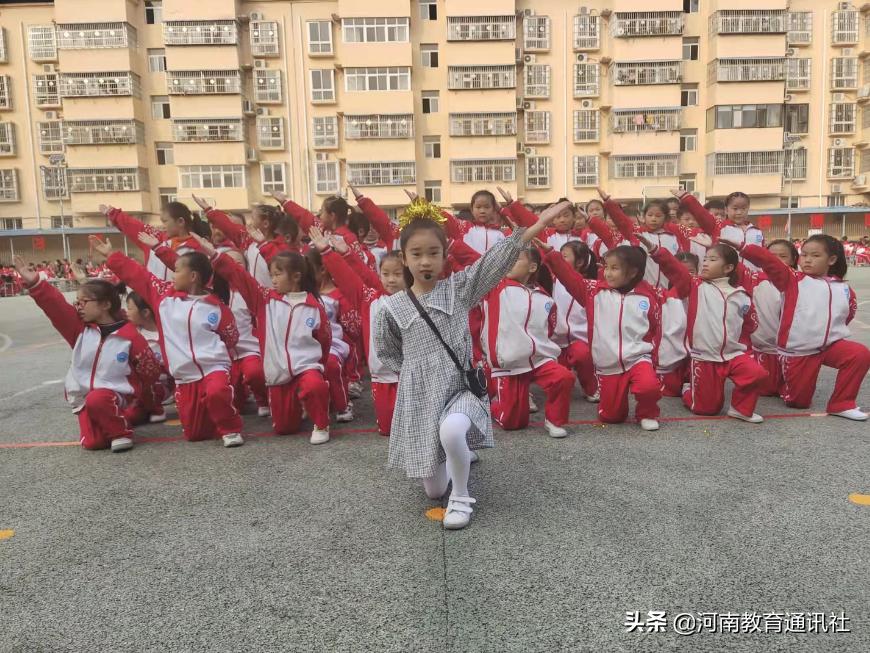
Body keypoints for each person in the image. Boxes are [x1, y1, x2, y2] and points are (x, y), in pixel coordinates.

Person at [374, 197, 567, 529]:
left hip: (460, 387)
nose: (425, 261)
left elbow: (493, 261)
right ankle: (457, 459)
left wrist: (536, 225)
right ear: (404, 258)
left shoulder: (458, 289)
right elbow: (388, 352)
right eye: (416, 254)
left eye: (433, 253)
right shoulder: (391, 308)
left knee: (451, 431)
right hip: (422, 397)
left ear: (444, 256)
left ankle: (461, 499)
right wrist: (417, 372)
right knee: (434, 490)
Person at [92, 224, 245, 448]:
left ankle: (230, 428)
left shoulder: (216, 306)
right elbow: (138, 275)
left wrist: (221, 359)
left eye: (177, 270)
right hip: (185, 376)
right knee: (195, 434)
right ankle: (212, 416)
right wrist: (112, 256)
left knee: (217, 391)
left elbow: (230, 337)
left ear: (193, 277)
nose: (173, 274)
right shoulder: (164, 297)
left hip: (214, 369)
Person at [15, 256, 161, 452]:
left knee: (98, 399)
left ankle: (122, 432)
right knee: (93, 443)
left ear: (105, 305)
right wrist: (35, 283)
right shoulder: (80, 330)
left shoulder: (130, 336)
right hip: (86, 399)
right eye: (77, 302)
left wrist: (144, 400)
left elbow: (149, 372)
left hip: (116, 395)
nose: (78, 306)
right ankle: (117, 419)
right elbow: (56, 306)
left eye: (84, 302)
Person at [205, 235, 334, 443]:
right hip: (278, 373)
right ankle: (300, 402)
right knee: (284, 429)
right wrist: (215, 255)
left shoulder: (314, 306)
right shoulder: (264, 299)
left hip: (305, 368)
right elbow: (239, 276)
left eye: (278, 274)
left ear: (296, 276)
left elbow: (324, 340)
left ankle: (321, 423)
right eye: (271, 274)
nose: (273, 279)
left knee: (314, 384)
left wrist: (319, 367)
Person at [741, 235, 870, 420]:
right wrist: (742, 246)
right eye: (804, 255)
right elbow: (769, 262)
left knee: (859, 354)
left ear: (832, 259)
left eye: (815, 255)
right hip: (800, 351)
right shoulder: (793, 279)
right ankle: (781, 381)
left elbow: (847, 315)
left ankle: (842, 403)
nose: (808, 260)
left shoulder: (844, 289)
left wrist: (827, 334)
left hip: (828, 347)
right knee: (798, 402)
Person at [539, 242, 662, 431]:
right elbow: (569, 277)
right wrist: (551, 254)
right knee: (611, 417)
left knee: (649, 386)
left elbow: (654, 329)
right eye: (606, 267)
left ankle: (647, 413)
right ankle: (612, 406)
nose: (607, 273)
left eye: (614, 268)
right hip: (608, 363)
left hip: (638, 358)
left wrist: (653, 358)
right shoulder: (594, 292)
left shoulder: (648, 296)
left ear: (632, 272)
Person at [647, 240, 767, 422]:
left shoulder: (741, 295)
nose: (705, 263)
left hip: (732, 354)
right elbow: (674, 269)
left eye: (712, 260)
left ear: (728, 268)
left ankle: (740, 409)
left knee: (756, 374)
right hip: (705, 357)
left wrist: (740, 341)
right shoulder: (695, 286)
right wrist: (656, 251)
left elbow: (751, 325)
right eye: (705, 259)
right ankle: (688, 390)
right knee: (707, 410)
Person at [482, 241, 575, 438]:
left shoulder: (544, 297)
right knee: (513, 422)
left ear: (532, 267)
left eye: (515, 259)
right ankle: (492, 404)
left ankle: (554, 420)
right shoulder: (496, 286)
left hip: (539, 359)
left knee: (563, 377)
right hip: (510, 362)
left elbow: (549, 327)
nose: (508, 263)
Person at [195, 195, 295, 288]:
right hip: (255, 295)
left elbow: (282, 266)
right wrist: (209, 210)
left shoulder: (282, 248)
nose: (250, 222)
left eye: (253, 219)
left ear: (265, 224)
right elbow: (228, 226)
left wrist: (263, 244)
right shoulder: (248, 240)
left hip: (274, 297)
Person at [106, 202, 207, 281]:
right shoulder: (155, 238)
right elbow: (134, 226)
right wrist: (114, 214)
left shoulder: (197, 248)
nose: (162, 226)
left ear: (180, 221)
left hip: (179, 300)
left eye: (165, 221)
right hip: (153, 299)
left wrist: (158, 248)